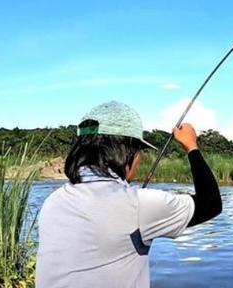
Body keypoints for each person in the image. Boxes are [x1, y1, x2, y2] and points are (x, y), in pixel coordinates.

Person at [36, 101, 222, 287]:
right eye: (139, 150)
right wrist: (192, 146)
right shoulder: (138, 205)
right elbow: (211, 203)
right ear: (126, 151)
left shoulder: (53, 201)